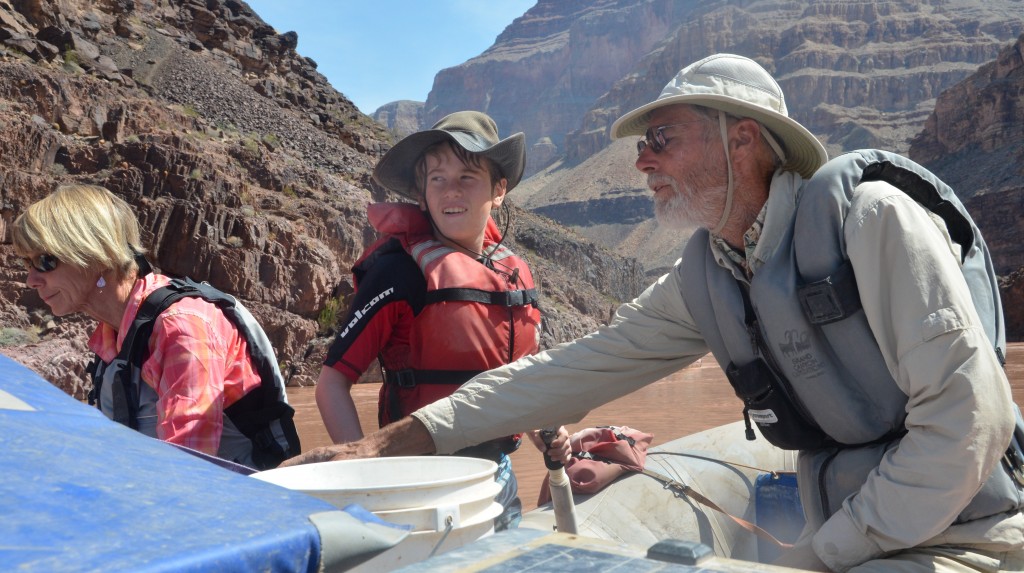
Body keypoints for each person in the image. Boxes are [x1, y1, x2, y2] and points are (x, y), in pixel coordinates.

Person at [283, 54, 1024, 571]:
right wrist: (396, 440)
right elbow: (572, 368)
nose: (642, 162)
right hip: (846, 539)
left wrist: (828, 552)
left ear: (742, 138)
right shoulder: (708, 274)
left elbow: (970, 425)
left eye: (662, 139)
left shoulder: (874, 222)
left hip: (966, 539)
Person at [314, 110, 558, 531]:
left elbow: (522, 377)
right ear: (422, 194)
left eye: (467, 177)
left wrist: (546, 432)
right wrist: (367, 475)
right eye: (437, 179)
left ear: (498, 190)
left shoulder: (514, 272)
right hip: (417, 486)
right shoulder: (399, 272)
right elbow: (331, 385)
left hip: (496, 477)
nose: (451, 192)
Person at [13, 184, 299, 470]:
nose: (31, 280)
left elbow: (188, 467)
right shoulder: (113, 336)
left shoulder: (183, 327)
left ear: (96, 254)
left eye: (44, 261)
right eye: (27, 263)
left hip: (230, 504)